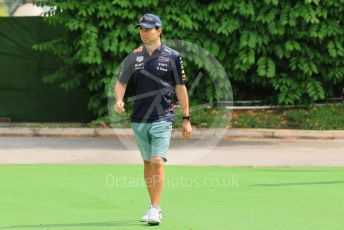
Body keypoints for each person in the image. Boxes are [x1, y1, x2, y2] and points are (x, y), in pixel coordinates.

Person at [114, 13, 192, 225]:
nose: (143, 32)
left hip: (163, 117)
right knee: (148, 162)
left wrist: (186, 118)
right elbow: (121, 82)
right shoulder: (134, 56)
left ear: (159, 30)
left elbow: (180, 88)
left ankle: (156, 209)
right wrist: (118, 100)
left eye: (148, 28)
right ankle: (151, 205)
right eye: (141, 28)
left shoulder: (172, 56)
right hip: (139, 118)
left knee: (157, 161)